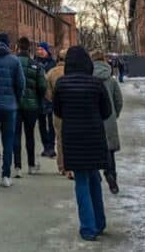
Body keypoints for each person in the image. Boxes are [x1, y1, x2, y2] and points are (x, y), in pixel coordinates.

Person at [53, 46, 112, 242]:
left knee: (81, 181)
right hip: (94, 136)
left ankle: (87, 227)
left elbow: (58, 111)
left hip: (73, 137)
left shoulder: (62, 84)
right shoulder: (96, 84)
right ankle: (99, 221)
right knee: (94, 178)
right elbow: (106, 111)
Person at [0, 33, 25, 187]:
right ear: (7, 44)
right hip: (10, 106)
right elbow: (21, 83)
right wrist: (16, 99)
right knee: (8, 139)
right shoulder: (14, 60)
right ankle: (6, 175)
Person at [14, 37, 48, 178]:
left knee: (16, 135)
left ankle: (17, 166)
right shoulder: (36, 65)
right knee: (30, 135)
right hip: (32, 105)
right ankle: (31, 165)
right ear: (29, 48)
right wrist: (39, 98)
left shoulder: (13, 63)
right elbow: (42, 86)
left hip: (15, 104)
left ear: (17, 48)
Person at [92, 50, 123, 195]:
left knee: (94, 148)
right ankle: (111, 175)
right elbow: (118, 100)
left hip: (94, 118)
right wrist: (115, 114)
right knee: (109, 150)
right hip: (109, 117)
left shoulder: (89, 78)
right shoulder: (111, 80)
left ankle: (96, 174)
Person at [46, 49, 68, 176]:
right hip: (73, 109)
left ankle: (62, 166)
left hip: (57, 110)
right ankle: (72, 165)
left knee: (59, 138)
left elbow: (47, 91)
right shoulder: (73, 72)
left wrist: (54, 100)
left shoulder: (52, 72)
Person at [35, 42, 56, 158]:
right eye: (38, 49)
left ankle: (51, 147)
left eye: (42, 49)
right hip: (38, 97)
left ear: (47, 51)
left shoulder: (52, 64)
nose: (39, 51)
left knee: (51, 124)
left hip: (50, 97)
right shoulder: (35, 63)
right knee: (41, 123)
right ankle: (46, 146)